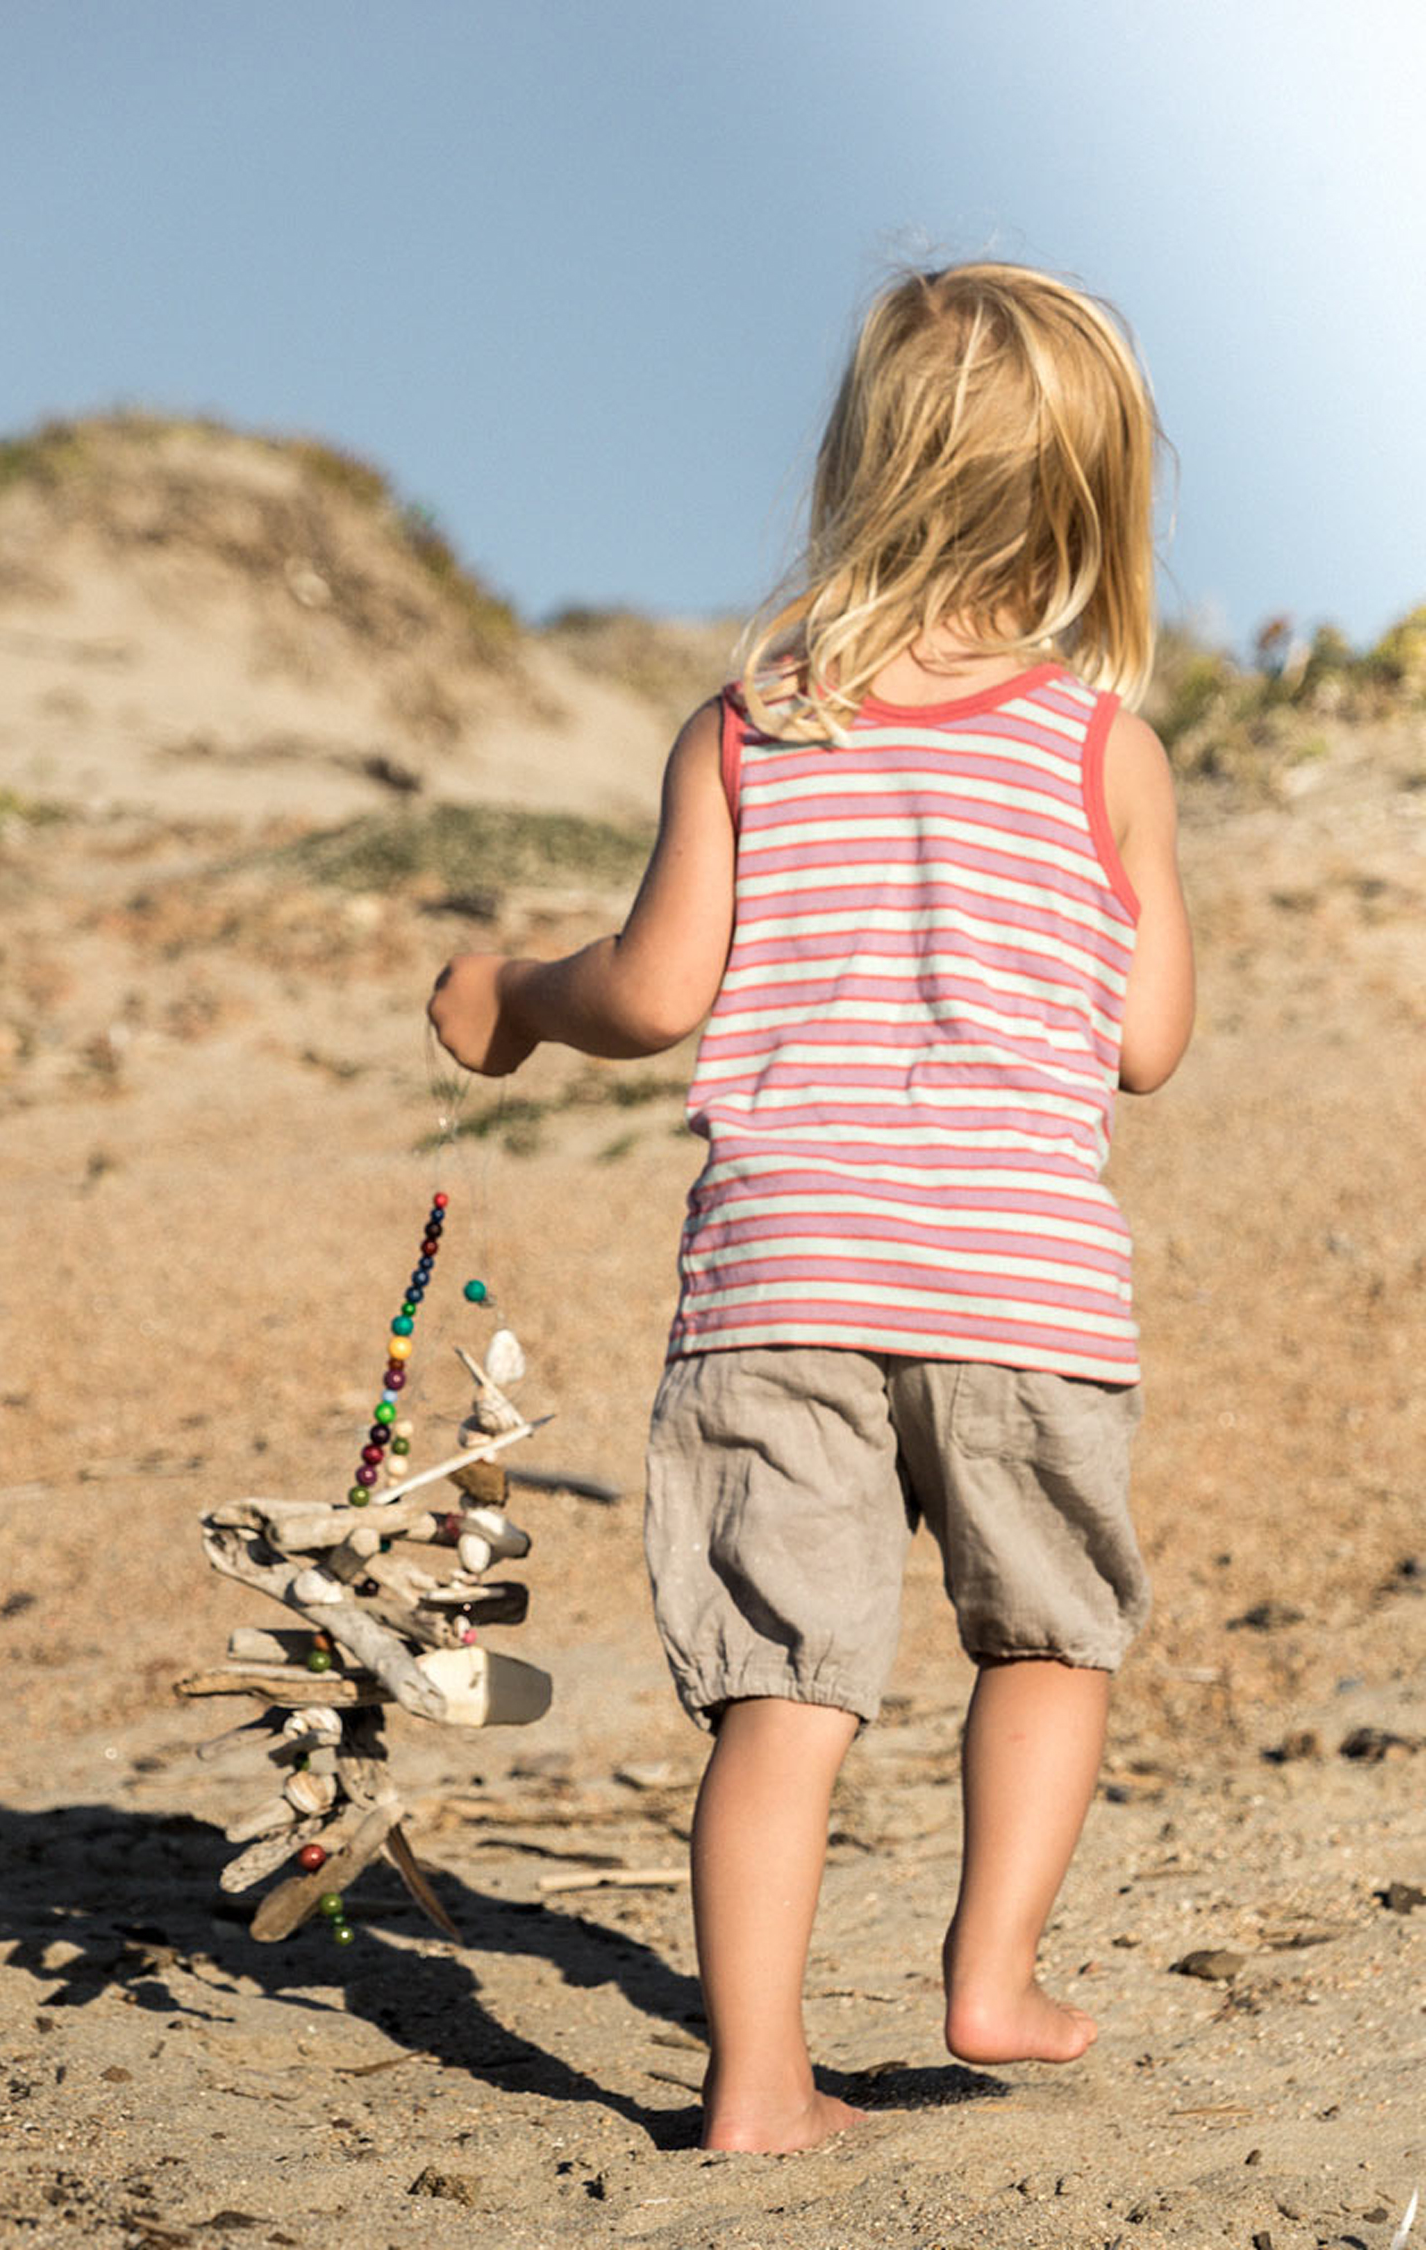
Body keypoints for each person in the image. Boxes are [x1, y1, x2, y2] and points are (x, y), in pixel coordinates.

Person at [429, 261, 1195, 2156]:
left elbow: (658, 991)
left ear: (860, 466)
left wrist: (522, 992)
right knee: (1044, 1640)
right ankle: (992, 1972)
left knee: (780, 1686)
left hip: (782, 1276)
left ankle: (758, 2081)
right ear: (1094, 499)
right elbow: (1151, 1041)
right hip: (1019, 1281)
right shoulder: (1105, 747)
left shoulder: (748, 727)